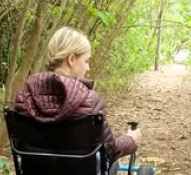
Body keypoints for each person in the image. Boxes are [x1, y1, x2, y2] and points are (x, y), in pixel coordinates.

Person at [13, 27, 141, 163]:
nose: (88, 68)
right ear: (71, 59)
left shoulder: (24, 98)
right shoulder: (90, 101)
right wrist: (131, 139)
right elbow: (110, 151)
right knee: (112, 165)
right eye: (86, 61)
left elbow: (20, 145)